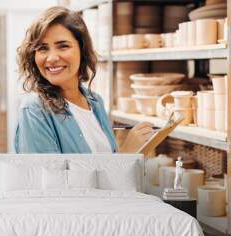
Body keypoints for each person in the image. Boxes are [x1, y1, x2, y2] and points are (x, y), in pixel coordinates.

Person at [15, 6, 153, 153]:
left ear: (82, 49)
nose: (52, 58)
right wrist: (127, 153)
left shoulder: (95, 102)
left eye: (63, 46)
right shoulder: (34, 109)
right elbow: (50, 175)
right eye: (42, 48)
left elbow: (106, 165)